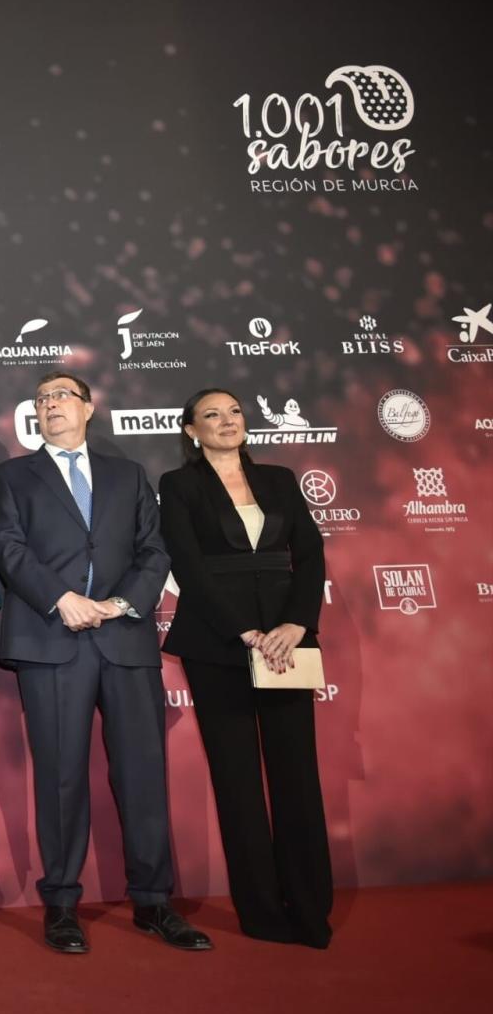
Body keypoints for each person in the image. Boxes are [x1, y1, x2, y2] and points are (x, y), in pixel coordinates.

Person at [0, 372, 210, 954]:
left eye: (61, 396)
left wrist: (123, 603)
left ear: (89, 407)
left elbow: (154, 550)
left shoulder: (127, 475)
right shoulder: (11, 477)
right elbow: (8, 548)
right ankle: (61, 903)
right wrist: (63, 599)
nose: (50, 405)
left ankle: (154, 901)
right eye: (41, 400)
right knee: (60, 778)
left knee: (142, 773)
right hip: (51, 637)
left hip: (125, 637)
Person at [159, 388, 333, 948]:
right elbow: (187, 564)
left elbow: (309, 555)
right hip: (220, 644)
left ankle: (310, 908)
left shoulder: (281, 479)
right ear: (191, 431)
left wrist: (294, 626)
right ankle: (261, 911)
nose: (226, 421)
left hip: (288, 641)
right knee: (237, 783)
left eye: (234, 412)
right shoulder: (179, 486)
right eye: (211, 415)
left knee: (297, 778)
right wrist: (245, 631)